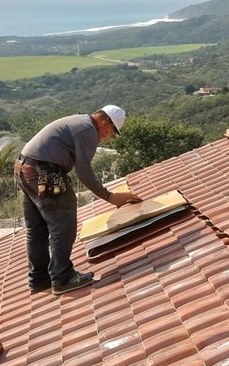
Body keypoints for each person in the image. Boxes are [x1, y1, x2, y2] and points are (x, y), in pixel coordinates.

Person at [14, 105, 141, 295]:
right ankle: (62, 277)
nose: (108, 137)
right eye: (112, 133)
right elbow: (84, 171)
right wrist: (111, 197)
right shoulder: (88, 130)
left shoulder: (80, 122)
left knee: (37, 228)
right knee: (63, 219)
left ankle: (39, 279)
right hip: (43, 172)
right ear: (105, 121)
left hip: (23, 169)